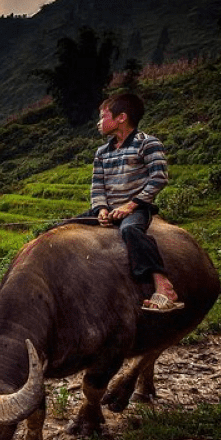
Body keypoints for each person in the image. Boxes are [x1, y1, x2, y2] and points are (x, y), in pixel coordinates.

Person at [78, 92, 183, 312]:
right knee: (64, 227)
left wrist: (131, 205)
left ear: (121, 118)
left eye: (102, 117)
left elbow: (158, 178)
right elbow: (97, 185)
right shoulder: (101, 153)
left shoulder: (148, 144)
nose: (99, 123)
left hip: (136, 209)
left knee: (131, 231)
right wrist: (101, 209)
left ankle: (164, 286)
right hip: (110, 209)